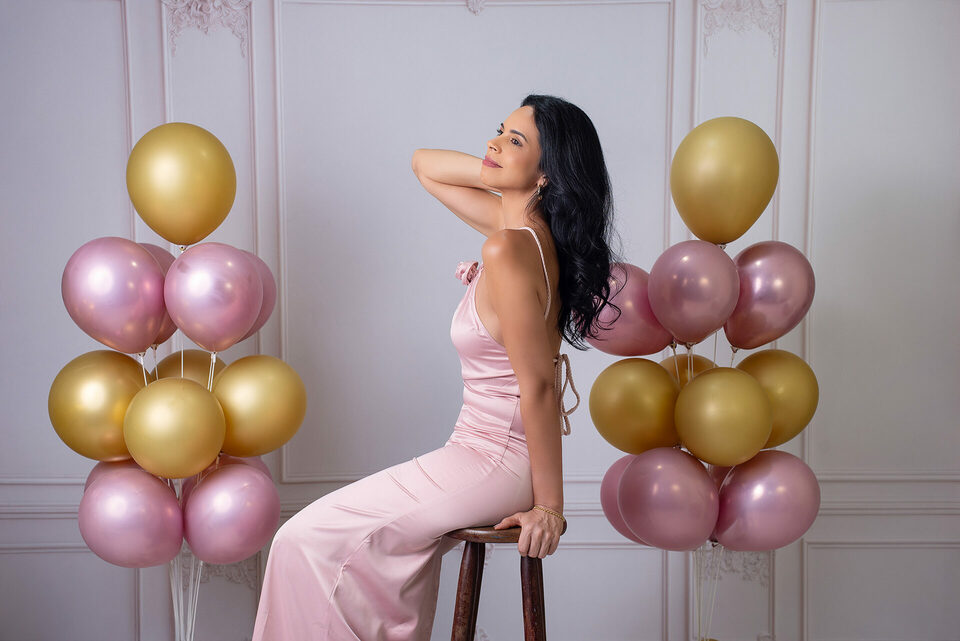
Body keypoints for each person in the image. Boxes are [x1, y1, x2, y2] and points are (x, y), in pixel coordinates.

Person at [251, 94, 624, 640]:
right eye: (499, 130)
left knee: (301, 539)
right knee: (308, 539)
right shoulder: (520, 233)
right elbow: (424, 164)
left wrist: (550, 507)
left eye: (515, 140)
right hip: (475, 448)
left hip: (497, 458)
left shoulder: (508, 249)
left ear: (547, 173)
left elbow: (540, 386)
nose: (493, 143)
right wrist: (502, 169)